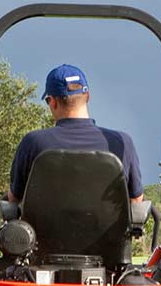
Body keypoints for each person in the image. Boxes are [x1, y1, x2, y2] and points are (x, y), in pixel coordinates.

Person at [9, 64, 143, 202]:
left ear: (53, 102)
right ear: (88, 96)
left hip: (45, 224)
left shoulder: (33, 143)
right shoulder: (122, 142)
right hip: (106, 224)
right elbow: (136, 200)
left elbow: (14, 199)